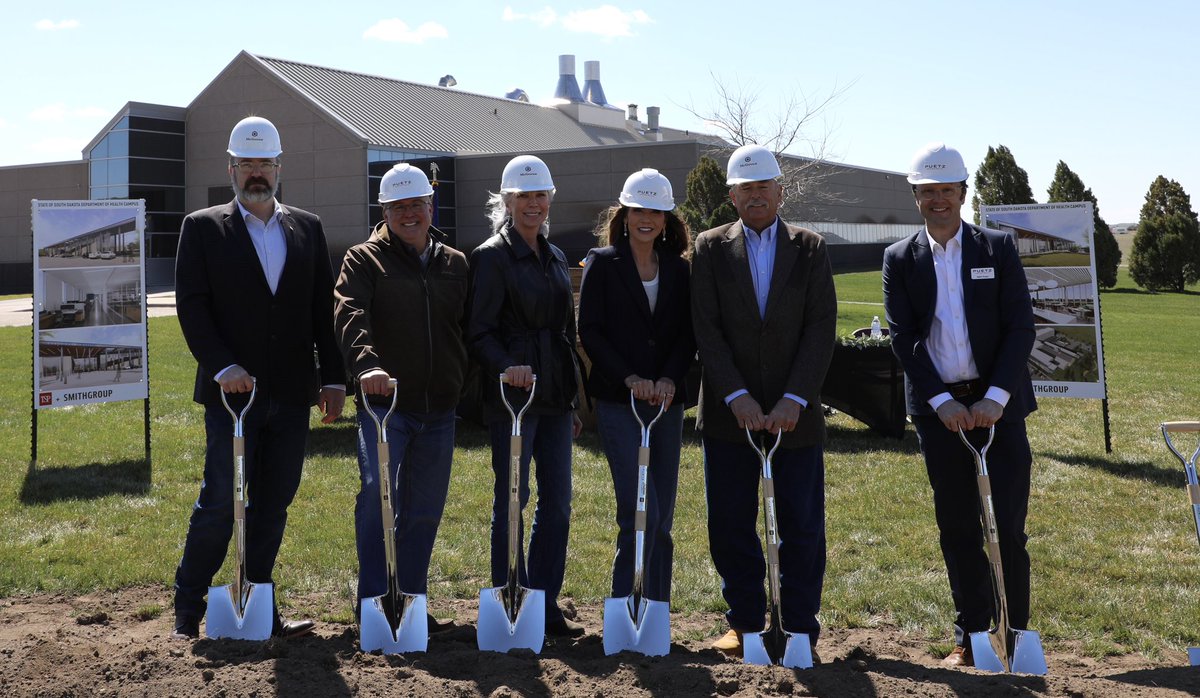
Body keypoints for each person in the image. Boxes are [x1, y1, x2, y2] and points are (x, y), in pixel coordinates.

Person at [171, 116, 346, 640]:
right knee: (222, 500)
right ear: (231, 168)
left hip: (291, 395)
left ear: (278, 168)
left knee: (274, 502)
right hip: (232, 397)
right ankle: (188, 606)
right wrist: (223, 366)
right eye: (246, 164)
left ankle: (258, 602)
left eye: (264, 164)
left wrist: (334, 379)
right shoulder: (203, 227)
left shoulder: (307, 228)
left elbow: (321, 309)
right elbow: (192, 306)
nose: (255, 173)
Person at [881, 142, 1037, 668]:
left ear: (963, 194)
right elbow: (904, 338)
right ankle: (972, 633)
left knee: (1008, 527)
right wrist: (943, 402)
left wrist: (995, 398)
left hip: (999, 408)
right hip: (939, 413)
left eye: (948, 190)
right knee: (958, 526)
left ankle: (1017, 632)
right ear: (917, 197)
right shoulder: (900, 259)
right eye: (929, 192)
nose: (939, 200)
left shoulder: (997, 248)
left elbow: (1021, 328)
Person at [690, 144, 837, 657]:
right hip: (732, 417)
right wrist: (737, 396)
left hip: (795, 418)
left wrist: (795, 398)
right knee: (730, 524)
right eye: (745, 188)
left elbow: (820, 329)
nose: (755, 195)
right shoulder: (708, 248)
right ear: (732, 195)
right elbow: (705, 329)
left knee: (801, 525)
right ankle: (745, 623)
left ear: (780, 190)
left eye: (763, 186)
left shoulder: (811, 247)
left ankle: (798, 627)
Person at [333, 163, 469, 633]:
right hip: (385, 407)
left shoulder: (455, 262)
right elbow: (350, 314)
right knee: (379, 497)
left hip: (440, 408)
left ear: (431, 206)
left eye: (417, 205)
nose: (410, 214)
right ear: (384, 210)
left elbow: (465, 328)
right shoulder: (363, 259)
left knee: (425, 509)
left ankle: (409, 601)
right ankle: (373, 602)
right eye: (399, 206)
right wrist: (367, 365)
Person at [466, 154, 585, 638]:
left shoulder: (555, 256)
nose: (533, 204)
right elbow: (478, 331)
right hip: (512, 395)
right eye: (524, 197)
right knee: (513, 497)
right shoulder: (491, 256)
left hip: (555, 395)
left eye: (540, 195)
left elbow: (566, 332)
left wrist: (574, 399)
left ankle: (544, 602)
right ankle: (510, 596)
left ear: (549, 199)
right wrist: (505, 366)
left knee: (557, 502)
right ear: (507, 201)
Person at [578, 168, 694, 607]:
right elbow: (590, 329)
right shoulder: (603, 263)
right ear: (625, 215)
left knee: (661, 516)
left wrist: (668, 378)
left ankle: (656, 608)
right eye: (639, 210)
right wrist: (629, 378)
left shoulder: (681, 272)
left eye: (656, 211)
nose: (647, 218)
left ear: (667, 219)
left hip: (666, 402)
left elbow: (688, 333)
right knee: (636, 509)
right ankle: (626, 604)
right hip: (617, 399)